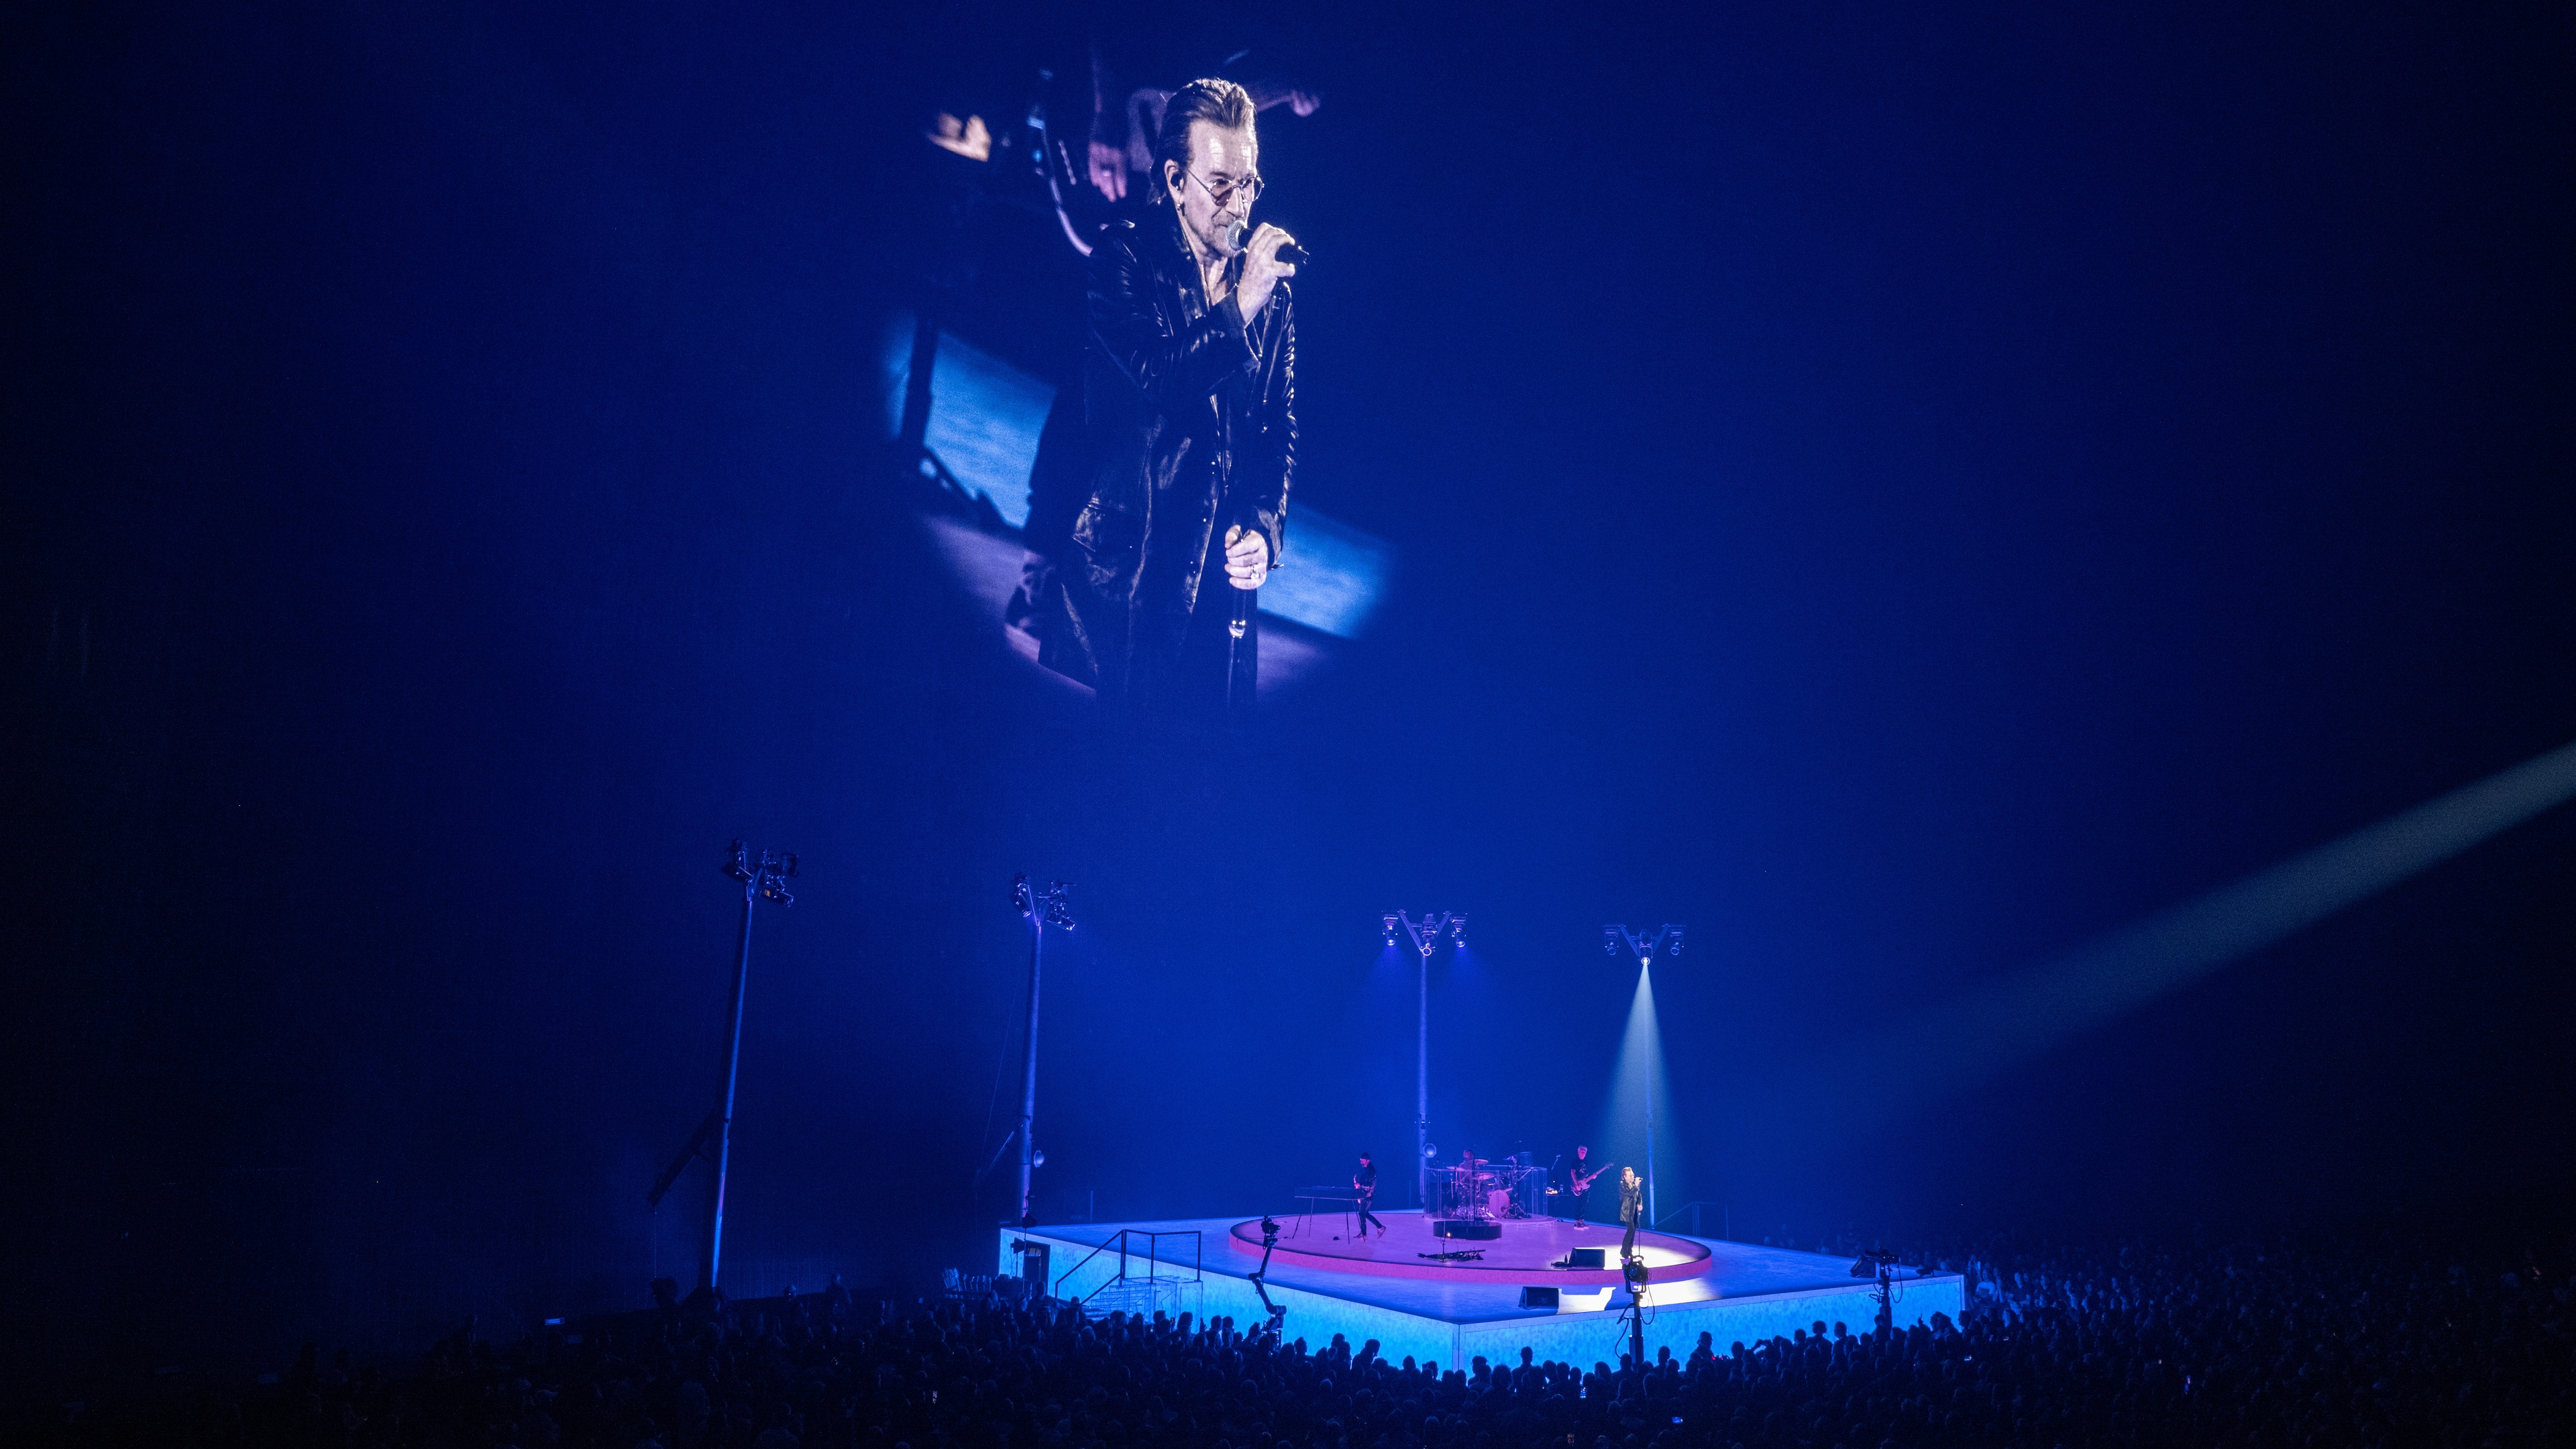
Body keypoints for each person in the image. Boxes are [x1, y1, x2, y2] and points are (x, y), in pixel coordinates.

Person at [1038, 77, 1297, 718]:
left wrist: (1265, 530)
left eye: (1250, 183)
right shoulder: (1123, 256)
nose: (1239, 206)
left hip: (1216, 590)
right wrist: (1240, 308)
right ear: (1177, 182)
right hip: (1125, 577)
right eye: (1221, 184)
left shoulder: (1273, 300)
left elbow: (1277, 431)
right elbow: (1160, 382)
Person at [1353, 1152, 1385, 1239]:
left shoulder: (1370, 1170)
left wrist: (1360, 1185)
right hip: (1367, 1194)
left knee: (1362, 1213)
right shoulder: (1368, 1169)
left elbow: (1370, 1186)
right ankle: (1380, 1227)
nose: (1361, 1163)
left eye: (1363, 1161)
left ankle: (1364, 1234)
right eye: (1361, 1161)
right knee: (1365, 1213)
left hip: (1367, 1195)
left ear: (1368, 1160)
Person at [1618, 1166, 1645, 1263]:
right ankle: (1624, 1250)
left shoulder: (1633, 1185)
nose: (1632, 1177)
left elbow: (1638, 1196)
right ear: (1624, 1177)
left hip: (1634, 1211)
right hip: (1627, 1211)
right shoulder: (1622, 1185)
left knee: (1633, 1232)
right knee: (1631, 1230)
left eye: (1633, 1175)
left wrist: (1640, 1204)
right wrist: (1636, 1186)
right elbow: (1629, 1194)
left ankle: (1629, 1251)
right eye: (1630, 1176)